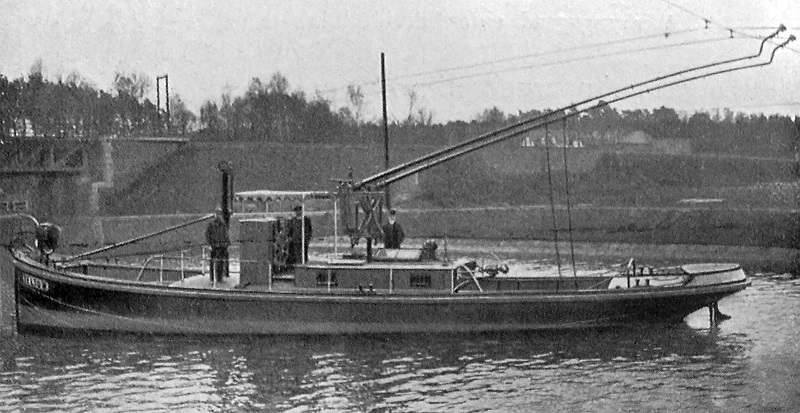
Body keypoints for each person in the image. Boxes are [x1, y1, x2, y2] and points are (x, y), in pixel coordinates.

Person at [205, 208, 229, 282]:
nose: (218, 216)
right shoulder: (211, 224)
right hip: (214, 246)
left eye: (219, 214)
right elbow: (207, 235)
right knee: (213, 263)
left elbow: (226, 234)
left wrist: (227, 242)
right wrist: (210, 244)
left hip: (222, 246)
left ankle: (219, 278)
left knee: (221, 262)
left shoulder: (223, 224)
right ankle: (212, 278)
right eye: (217, 214)